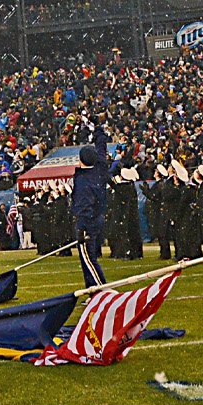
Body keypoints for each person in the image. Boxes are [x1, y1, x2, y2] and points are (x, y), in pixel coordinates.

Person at [70, 122, 116, 286]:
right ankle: (93, 290)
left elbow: (83, 207)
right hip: (97, 218)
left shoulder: (84, 180)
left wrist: (81, 227)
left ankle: (99, 290)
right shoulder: (99, 172)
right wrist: (99, 133)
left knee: (88, 259)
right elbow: (101, 152)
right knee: (90, 257)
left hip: (87, 223)